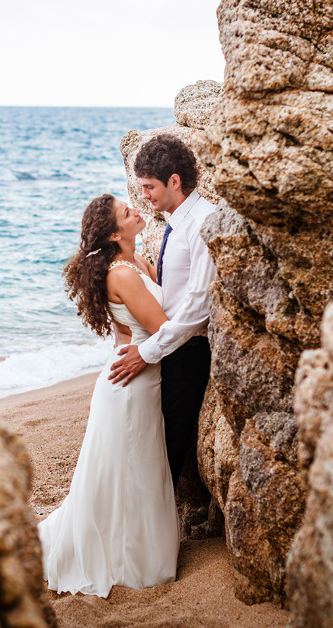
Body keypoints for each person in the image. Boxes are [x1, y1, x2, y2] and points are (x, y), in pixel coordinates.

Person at [38, 193, 179, 598]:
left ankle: (132, 550)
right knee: (128, 474)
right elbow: (162, 329)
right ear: (116, 233)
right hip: (129, 387)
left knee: (132, 473)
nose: (136, 209)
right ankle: (127, 560)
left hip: (134, 378)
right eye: (126, 211)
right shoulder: (122, 274)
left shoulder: (134, 262)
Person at [108, 134, 216, 488]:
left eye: (149, 186)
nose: (143, 196)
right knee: (151, 450)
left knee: (165, 456)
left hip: (188, 354)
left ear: (174, 181)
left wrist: (146, 352)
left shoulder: (202, 223)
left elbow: (197, 309)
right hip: (170, 350)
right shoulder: (177, 220)